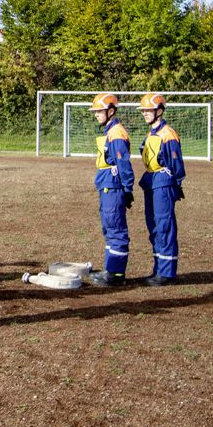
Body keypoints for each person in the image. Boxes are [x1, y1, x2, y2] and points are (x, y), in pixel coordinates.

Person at [87, 93, 136, 287]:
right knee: (109, 227)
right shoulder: (110, 131)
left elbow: (123, 163)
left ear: (111, 111)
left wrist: (127, 188)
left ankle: (116, 273)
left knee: (115, 228)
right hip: (108, 185)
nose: (96, 114)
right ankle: (111, 268)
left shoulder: (117, 133)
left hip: (114, 187)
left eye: (99, 111)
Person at [138, 93, 186, 286]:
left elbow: (176, 163)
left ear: (159, 110)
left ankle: (167, 273)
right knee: (154, 226)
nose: (145, 114)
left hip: (163, 183)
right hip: (151, 181)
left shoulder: (168, 134)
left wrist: (175, 184)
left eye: (148, 110)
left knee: (164, 225)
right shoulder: (152, 133)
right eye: (143, 111)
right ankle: (159, 268)